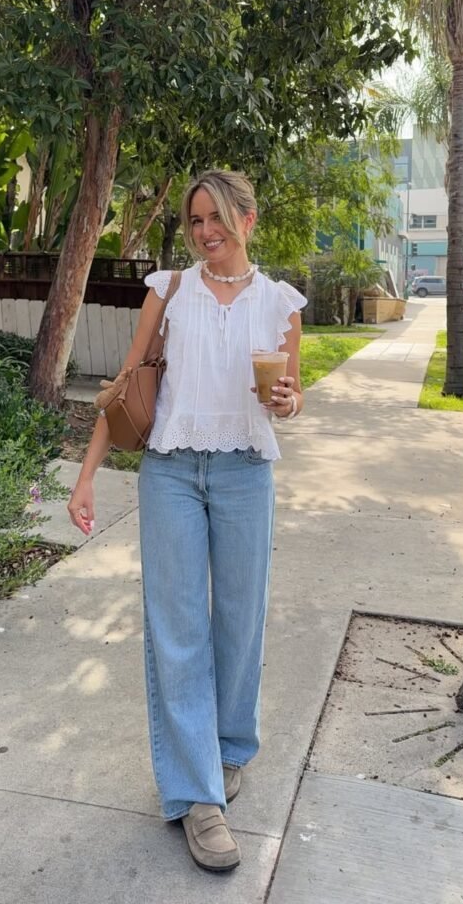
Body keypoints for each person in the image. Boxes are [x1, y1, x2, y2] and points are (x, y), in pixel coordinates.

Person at [67, 170, 306, 872]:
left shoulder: (279, 302)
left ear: (248, 220)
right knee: (178, 630)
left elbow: (289, 395)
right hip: (170, 471)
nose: (204, 232)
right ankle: (197, 797)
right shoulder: (168, 289)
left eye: (217, 220)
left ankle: (229, 751)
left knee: (240, 621)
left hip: (243, 472)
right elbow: (126, 383)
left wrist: (290, 402)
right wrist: (86, 476)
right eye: (195, 220)